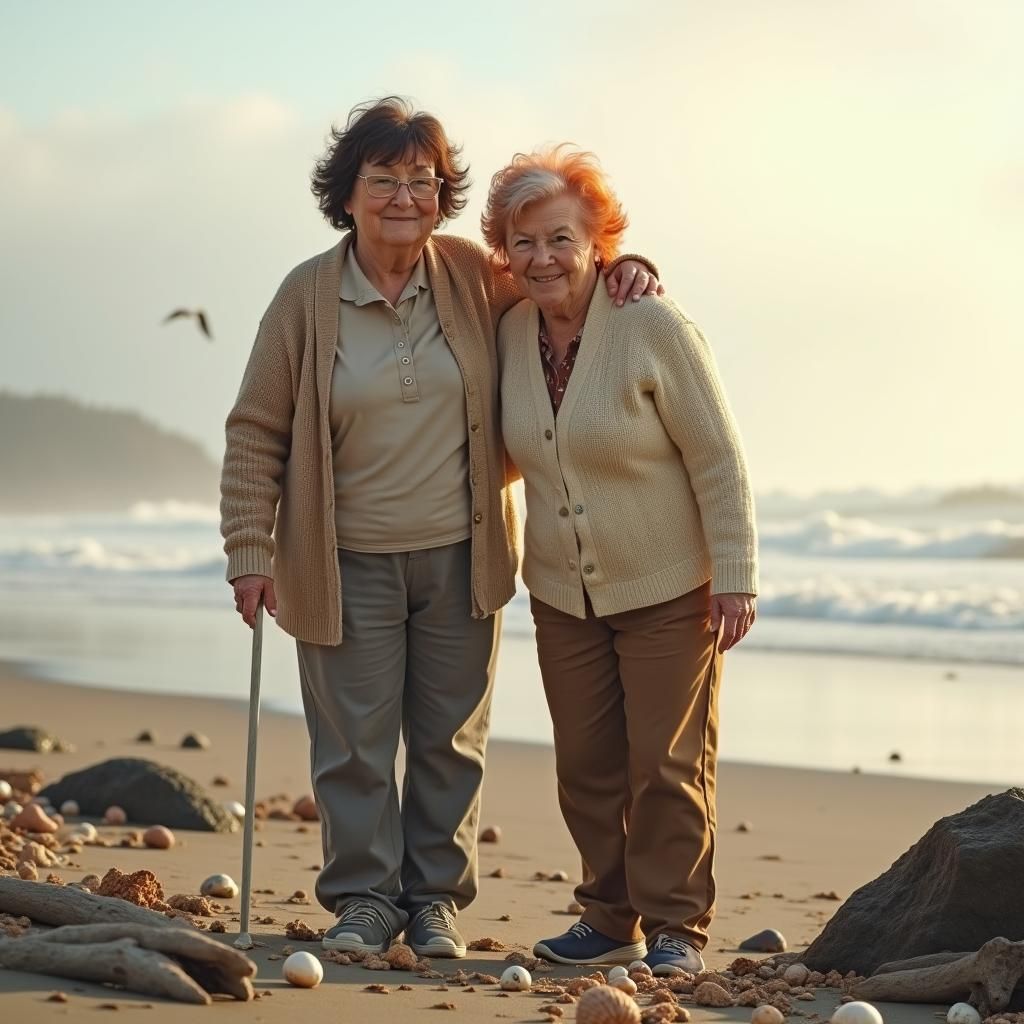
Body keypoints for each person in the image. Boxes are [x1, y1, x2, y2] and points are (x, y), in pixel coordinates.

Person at [219, 98, 661, 961]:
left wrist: (624, 264)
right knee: (353, 746)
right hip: (343, 562)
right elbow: (255, 430)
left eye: (422, 182)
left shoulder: (467, 273)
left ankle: (434, 905)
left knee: (452, 743)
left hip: (464, 555)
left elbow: (557, 280)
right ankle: (364, 902)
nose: (405, 198)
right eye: (383, 180)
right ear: (346, 194)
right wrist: (249, 549)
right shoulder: (305, 297)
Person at [481, 146, 758, 975]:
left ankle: (677, 926)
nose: (542, 258)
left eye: (560, 238)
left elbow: (718, 456)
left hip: (671, 586)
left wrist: (736, 573)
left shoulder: (652, 326)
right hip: (563, 594)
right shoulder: (508, 330)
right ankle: (608, 918)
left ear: (599, 238)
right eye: (523, 242)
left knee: (667, 766)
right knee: (588, 766)